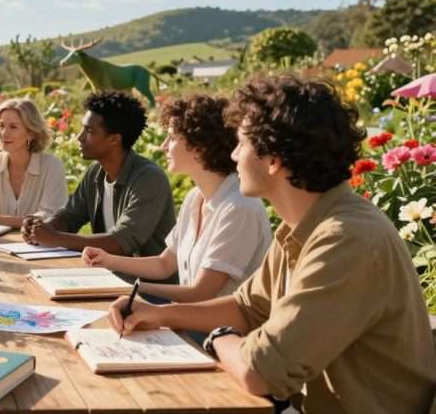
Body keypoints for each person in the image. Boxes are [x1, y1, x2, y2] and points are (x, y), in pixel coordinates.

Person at [108, 76, 436, 413]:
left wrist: (219, 336)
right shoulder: (306, 227)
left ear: (273, 158)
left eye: (241, 143)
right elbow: (247, 308)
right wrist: (159, 314)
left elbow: (259, 372)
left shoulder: (345, 239)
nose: (233, 154)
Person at [83, 95, 271, 302]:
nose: (163, 146)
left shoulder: (239, 208)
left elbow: (200, 293)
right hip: (190, 321)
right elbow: (164, 264)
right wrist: (107, 260)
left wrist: (132, 291)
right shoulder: (195, 197)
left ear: (199, 146)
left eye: (172, 138)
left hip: (219, 331)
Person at [21, 91, 175, 263]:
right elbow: (70, 217)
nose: (80, 137)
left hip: (145, 286)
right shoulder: (95, 173)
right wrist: (42, 228)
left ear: (114, 139)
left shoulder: (149, 179)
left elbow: (120, 242)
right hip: (107, 276)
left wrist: (55, 238)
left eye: (89, 131)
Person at [0, 98, 68, 229]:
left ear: (31, 133)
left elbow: (51, 218)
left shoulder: (52, 166)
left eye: (13, 127)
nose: (4, 133)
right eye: (1, 126)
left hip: (39, 247)